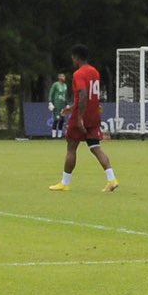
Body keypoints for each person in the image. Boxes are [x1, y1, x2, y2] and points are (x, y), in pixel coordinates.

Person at [49, 45, 115, 192]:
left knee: (71, 147)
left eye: (73, 58)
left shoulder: (79, 74)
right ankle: (112, 179)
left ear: (77, 58)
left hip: (82, 116)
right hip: (94, 115)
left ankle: (65, 183)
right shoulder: (95, 72)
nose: (72, 60)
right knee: (95, 147)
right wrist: (71, 108)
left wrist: (79, 117)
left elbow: (84, 94)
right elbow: (89, 97)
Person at [46, 72, 70, 140]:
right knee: (56, 119)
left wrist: (67, 103)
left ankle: (59, 135)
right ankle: (53, 136)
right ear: (59, 77)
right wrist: (50, 102)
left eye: (64, 76)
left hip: (63, 105)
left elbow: (66, 96)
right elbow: (51, 93)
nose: (64, 78)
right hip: (56, 105)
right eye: (62, 76)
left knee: (62, 120)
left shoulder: (65, 85)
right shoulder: (55, 84)